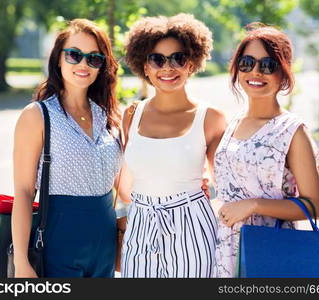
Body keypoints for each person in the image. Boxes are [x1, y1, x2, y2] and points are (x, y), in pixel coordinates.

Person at [11, 18, 123, 278]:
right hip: (57, 245)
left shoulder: (109, 117)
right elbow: (25, 192)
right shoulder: (38, 116)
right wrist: (21, 261)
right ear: (58, 59)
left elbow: (123, 186)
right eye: (74, 55)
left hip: (104, 244)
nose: (83, 64)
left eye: (94, 58)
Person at [213, 23, 319, 277]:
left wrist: (253, 205)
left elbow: (315, 205)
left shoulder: (292, 131)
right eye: (247, 63)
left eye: (267, 65)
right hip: (225, 250)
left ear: (283, 73)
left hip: (271, 249)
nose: (256, 72)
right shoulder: (233, 123)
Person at [119, 13, 227, 278]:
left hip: (191, 223)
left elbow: (226, 186)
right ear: (145, 67)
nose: (168, 68)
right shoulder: (131, 115)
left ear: (191, 64)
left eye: (178, 58)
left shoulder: (210, 118)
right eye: (157, 59)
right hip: (140, 223)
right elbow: (126, 184)